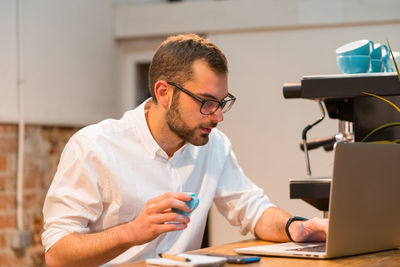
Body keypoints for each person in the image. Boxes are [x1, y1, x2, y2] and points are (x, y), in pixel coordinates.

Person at [42, 33, 328, 266]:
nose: (218, 116)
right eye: (205, 102)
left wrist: (295, 227)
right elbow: (57, 254)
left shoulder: (213, 146)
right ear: (164, 92)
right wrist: (131, 232)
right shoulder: (94, 146)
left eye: (221, 102)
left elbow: (251, 209)